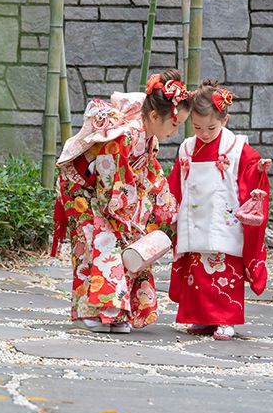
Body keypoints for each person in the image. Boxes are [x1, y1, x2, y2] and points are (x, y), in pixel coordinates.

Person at [52, 69, 189, 333]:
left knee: (124, 244)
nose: (176, 131)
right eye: (174, 124)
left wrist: (166, 211)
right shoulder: (124, 136)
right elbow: (111, 182)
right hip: (83, 187)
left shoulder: (146, 137)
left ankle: (114, 312)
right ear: (153, 116)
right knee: (96, 243)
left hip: (109, 193)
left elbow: (151, 178)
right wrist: (127, 215)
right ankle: (89, 312)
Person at [166, 80, 272, 340]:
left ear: (225, 119)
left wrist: (258, 170)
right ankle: (202, 318)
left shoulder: (236, 148)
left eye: (210, 127)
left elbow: (250, 168)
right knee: (198, 272)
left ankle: (226, 319)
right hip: (195, 216)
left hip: (224, 218)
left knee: (223, 271)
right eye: (198, 126)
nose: (203, 132)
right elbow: (176, 180)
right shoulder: (187, 148)